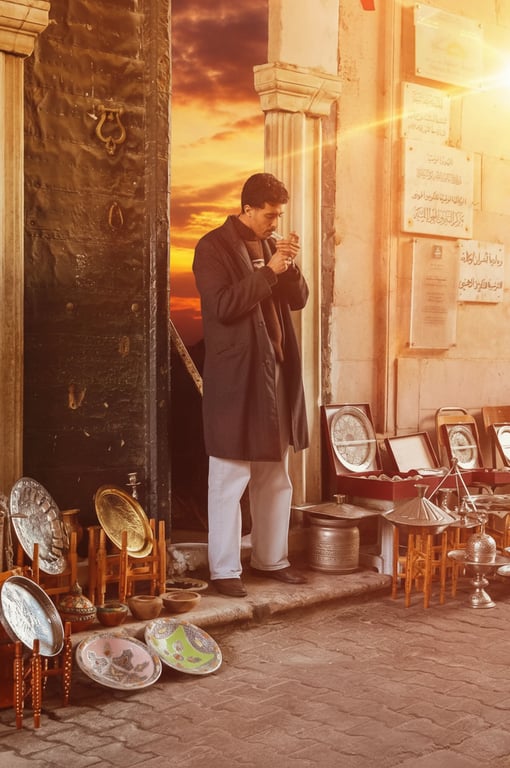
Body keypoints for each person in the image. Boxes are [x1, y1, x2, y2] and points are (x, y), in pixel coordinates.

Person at [192, 172, 310, 597]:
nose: (275, 222)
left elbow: (298, 300)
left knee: (275, 476)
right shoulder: (212, 248)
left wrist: (288, 266)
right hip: (238, 378)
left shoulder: (270, 246)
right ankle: (224, 571)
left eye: (278, 215)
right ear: (247, 208)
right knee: (229, 474)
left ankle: (270, 558)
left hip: (274, 375)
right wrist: (269, 273)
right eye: (269, 215)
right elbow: (222, 307)